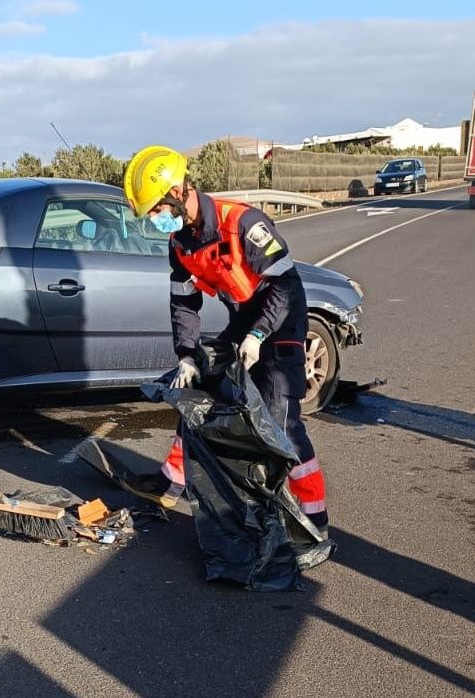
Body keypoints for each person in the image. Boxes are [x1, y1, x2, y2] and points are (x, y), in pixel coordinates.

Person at [123, 145, 333, 569]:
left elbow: (286, 287)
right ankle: (173, 481)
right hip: (245, 321)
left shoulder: (245, 225)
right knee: (198, 389)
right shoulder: (180, 243)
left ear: (180, 192)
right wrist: (186, 355)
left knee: (280, 427)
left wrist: (258, 334)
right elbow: (183, 303)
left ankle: (315, 528)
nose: (153, 219)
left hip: (281, 323)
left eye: (156, 208)